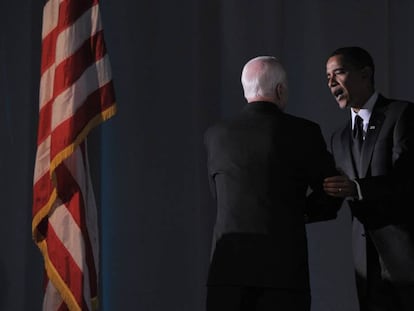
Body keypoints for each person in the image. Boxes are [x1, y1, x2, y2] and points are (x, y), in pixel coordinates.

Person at [204, 56, 342, 311]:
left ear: (246, 90)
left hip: (226, 273)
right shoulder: (303, 132)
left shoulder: (215, 135)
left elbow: (220, 195)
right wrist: (299, 212)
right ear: (280, 89)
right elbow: (333, 189)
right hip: (283, 273)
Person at [324, 46, 414, 311]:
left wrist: (358, 188)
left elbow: (406, 179)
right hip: (365, 263)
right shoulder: (338, 138)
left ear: (365, 74)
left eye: (338, 72)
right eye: (327, 76)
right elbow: (335, 193)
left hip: (406, 257)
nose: (331, 82)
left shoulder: (402, 115)